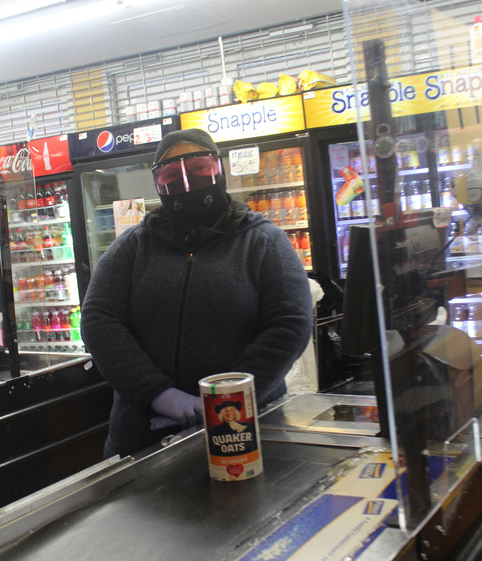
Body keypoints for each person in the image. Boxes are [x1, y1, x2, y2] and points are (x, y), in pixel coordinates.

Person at [80, 128, 313, 458]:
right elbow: (98, 320)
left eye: (199, 170)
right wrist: (156, 392)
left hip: (243, 429)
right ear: (158, 184)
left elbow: (290, 323)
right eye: (172, 176)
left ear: (218, 170)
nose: (186, 185)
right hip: (141, 439)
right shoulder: (132, 247)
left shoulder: (263, 242)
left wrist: (229, 400)